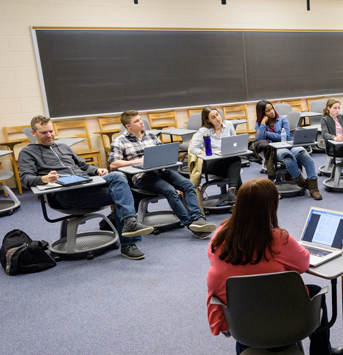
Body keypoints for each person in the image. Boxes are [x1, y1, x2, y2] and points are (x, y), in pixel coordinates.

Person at [205, 178, 343, 355]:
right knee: (316, 291)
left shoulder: (220, 233)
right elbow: (303, 264)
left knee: (245, 303)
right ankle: (321, 351)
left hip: (239, 322)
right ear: (269, 206)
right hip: (283, 322)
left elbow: (216, 260)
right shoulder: (278, 238)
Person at [18, 115, 155, 260]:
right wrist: (43, 179)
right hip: (66, 194)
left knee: (118, 176)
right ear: (33, 133)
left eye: (51, 131)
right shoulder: (27, 153)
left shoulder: (62, 147)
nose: (49, 135)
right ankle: (129, 242)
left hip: (88, 183)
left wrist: (96, 170)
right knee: (121, 194)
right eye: (44, 133)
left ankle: (130, 222)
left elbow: (82, 166)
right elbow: (25, 179)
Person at [109, 110, 216, 239]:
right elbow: (113, 164)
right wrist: (138, 161)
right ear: (128, 126)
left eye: (140, 119)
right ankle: (191, 225)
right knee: (170, 190)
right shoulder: (120, 141)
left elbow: (162, 152)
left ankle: (198, 219)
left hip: (162, 171)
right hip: (142, 177)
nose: (141, 122)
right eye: (136, 121)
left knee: (188, 185)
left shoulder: (151, 136)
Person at [251, 100, 322, 200]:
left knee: (305, 156)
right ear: (262, 113)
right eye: (267, 111)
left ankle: (314, 189)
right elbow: (259, 138)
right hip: (275, 149)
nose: (271, 112)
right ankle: (303, 183)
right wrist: (263, 123)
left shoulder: (282, 119)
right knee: (288, 157)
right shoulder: (259, 124)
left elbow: (286, 136)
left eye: (272, 108)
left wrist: (267, 134)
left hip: (290, 144)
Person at [188, 106, 243, 203]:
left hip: (227, 160)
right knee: (235, 166)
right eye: (213, 117)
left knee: (235, 160)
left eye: (217, 115)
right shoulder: (204, 131)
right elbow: (193, 148)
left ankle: (232, 192)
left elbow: (235, 142)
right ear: (208, 120)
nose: (218, 118)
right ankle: (240, 195)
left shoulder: (228, 125)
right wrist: (203, 152)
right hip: (210, 163)